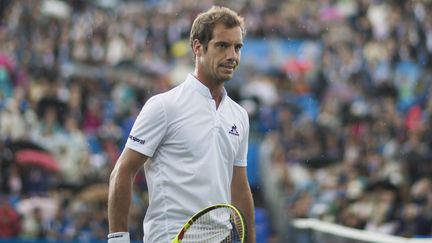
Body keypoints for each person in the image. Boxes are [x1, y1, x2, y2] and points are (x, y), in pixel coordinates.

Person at [107, 5, 256, 243]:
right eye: (222, 45)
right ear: (198, 47)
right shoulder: (164, 106)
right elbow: (122, 173)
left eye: (237, 47)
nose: (232, 55)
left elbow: (239, 188)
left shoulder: (239, 115)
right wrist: (118, 240)